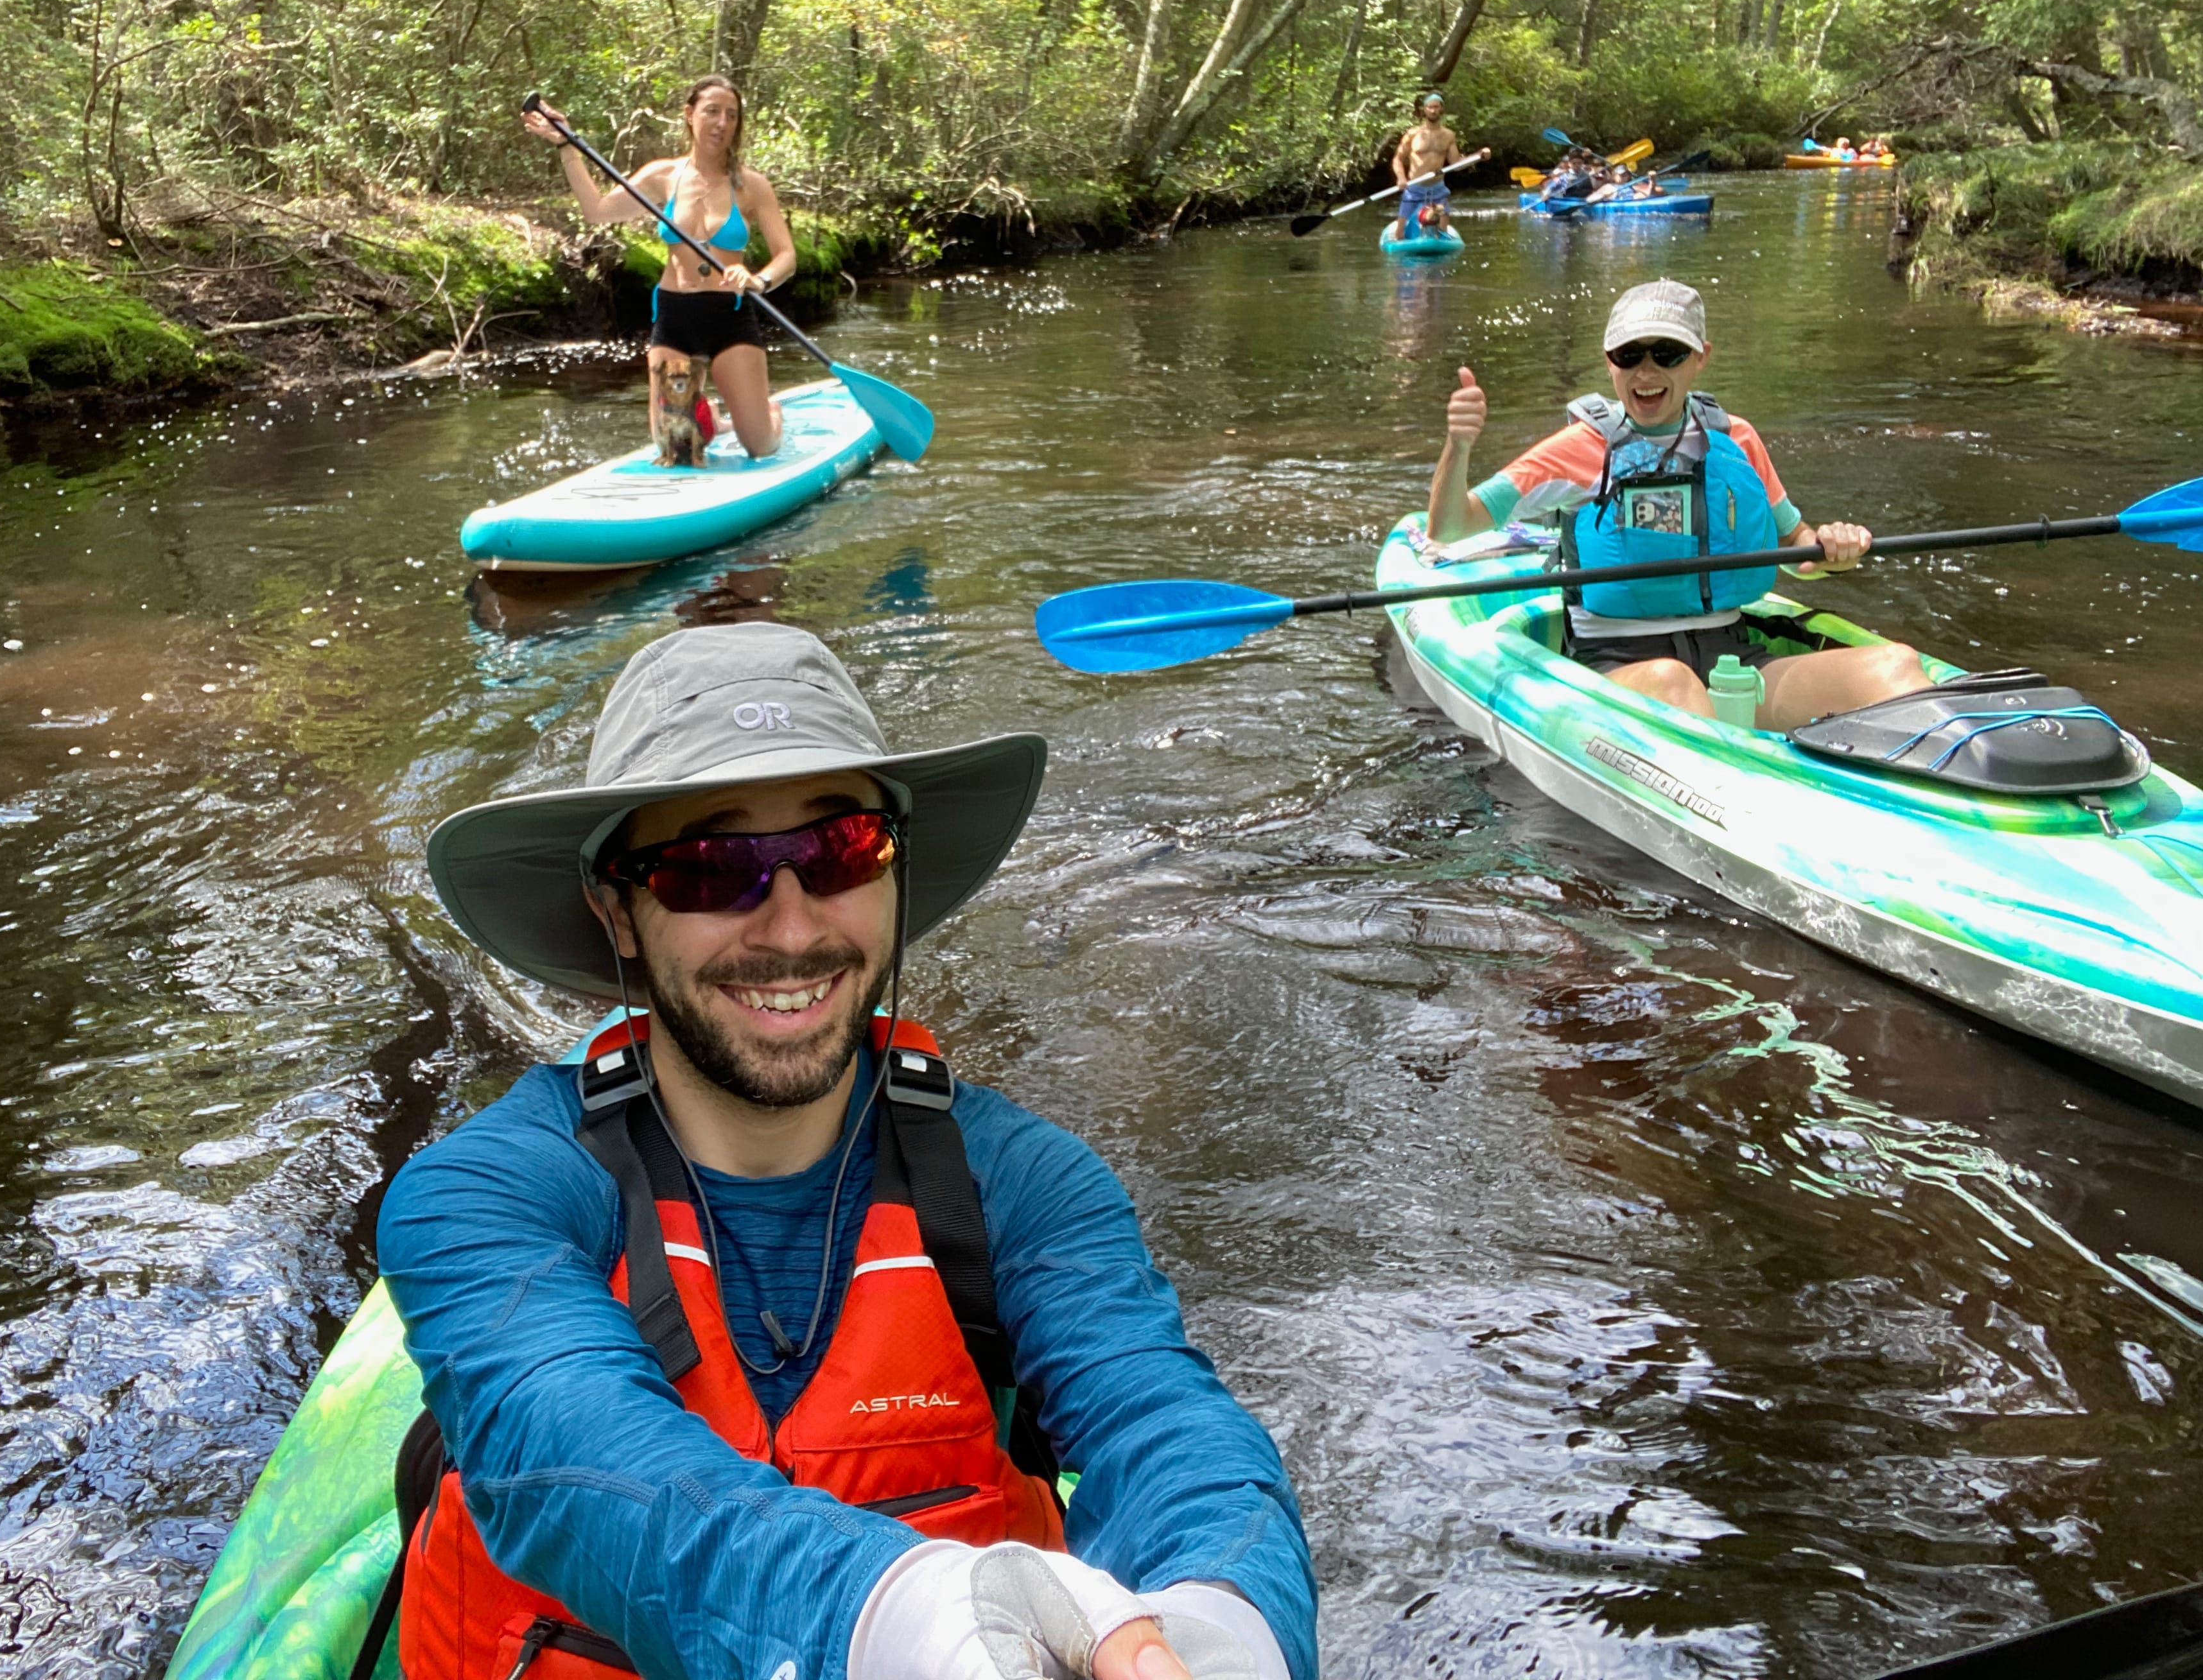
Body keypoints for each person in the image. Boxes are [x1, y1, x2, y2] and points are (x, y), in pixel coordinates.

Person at [381, 622, 1315, 1680]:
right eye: (707, 867)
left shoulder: (1028, 1183)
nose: (790, 929)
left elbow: (1162, 1421)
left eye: (842, 849)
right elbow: (572, 1455)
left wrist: (1217, 1620)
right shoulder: (477, 1194)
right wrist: (903, 1614)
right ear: (619, 910)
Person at [1425, 279, 1931, 727]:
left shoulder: (1736, 439)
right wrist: (1459, 446)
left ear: (1700, 358)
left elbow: (1798, 549)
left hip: (1735, 658)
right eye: (1630, 355)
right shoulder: (1580, 449)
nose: (1646, 371)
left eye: (1667, 353)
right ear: (1610, 362)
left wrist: (1832, 549)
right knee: (1675, 685)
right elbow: (1448, 528)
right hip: (1619, 663)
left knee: (1895, 665)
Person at [525, 77, 796, 460]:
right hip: (675, 316)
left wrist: (758, 279)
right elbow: (597, 211)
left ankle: (770, 416)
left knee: (761, 447)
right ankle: (711, 420)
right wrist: (568, 147)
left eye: (731, 116)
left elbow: (786, 256)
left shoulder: (752, 185)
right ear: (690, 115)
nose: (722, 123)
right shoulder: (661, 176)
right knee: (672, 448)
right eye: (712, 112)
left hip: (731, 318)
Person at [1389, 91, 1487, 235]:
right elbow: (1397, 159)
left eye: (1436, 107)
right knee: (1399, 234)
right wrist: (1401, 178)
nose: (1433, 110)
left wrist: (1478, 156)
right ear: (1424, 109)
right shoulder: (1413, 134)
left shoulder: (1448, 135)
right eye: (1430, 107)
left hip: (1438, 191)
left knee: (1442, 233)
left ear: (1442, 109)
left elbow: (1456, 164)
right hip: (1414, 190)